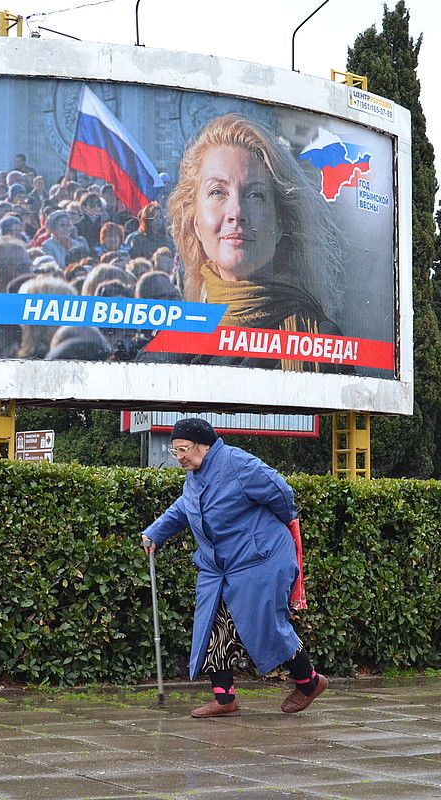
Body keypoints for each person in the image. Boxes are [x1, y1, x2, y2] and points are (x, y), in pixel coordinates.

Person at [140, 418, 325, 718]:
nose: (181, 457)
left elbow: (282, 493)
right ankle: (224, 698)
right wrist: (155, 532)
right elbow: (185, 508)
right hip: (219, 567)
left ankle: (309, 683)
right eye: (176, 452)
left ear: (204, 445)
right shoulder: (196, 475)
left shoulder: (237, 463)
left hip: (260, 559)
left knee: (268, 624)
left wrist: (265, 532)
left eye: (184, 449)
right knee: (212, 625)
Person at [166, 114, 346, 371]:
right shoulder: (172, 350)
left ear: (280, 222)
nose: (236, 211)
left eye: (255, 195)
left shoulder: (321, 341)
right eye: (218, 192)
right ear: (196, 222)